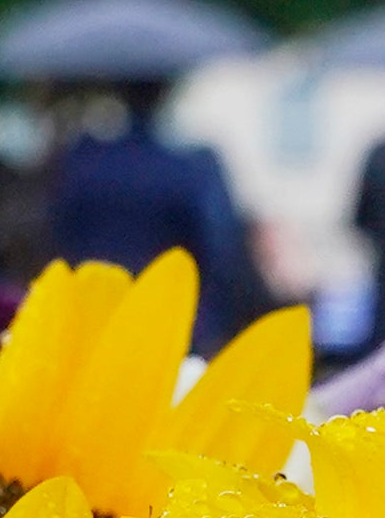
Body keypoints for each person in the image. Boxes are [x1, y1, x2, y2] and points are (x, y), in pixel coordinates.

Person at [38, 84, 267, 339]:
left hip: (91, 318)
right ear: (165, 92)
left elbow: (56, 235)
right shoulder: (190, 167)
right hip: (177, 321)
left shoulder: (83, 160)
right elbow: (222, 247)